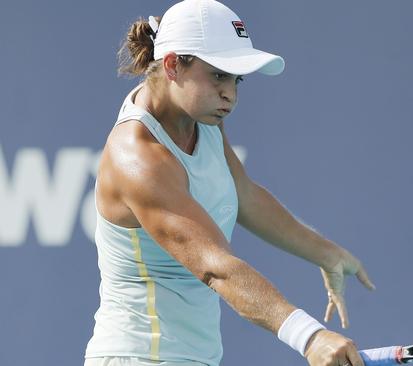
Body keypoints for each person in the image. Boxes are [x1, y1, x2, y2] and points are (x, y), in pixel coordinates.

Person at [84, 1, 376, 366]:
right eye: (219, 75)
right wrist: (310, 336)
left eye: (237, 80)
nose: (231, 95)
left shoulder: (201, 119)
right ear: (173, 65)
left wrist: (325, 253)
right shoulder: (137, 156)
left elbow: (245, 195)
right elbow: (214, 265)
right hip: (141, 357)